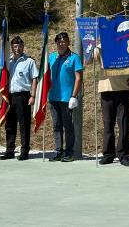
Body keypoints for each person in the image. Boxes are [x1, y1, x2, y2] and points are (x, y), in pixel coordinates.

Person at [0, 36, 39, 161]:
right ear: (11, 47)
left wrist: (32, 95)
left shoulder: (29, 61)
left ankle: (25, 151)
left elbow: (34, 79)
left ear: (23, 46)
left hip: (23, 96)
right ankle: (10, 150)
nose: (18, 48)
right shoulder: (7, 61)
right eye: (15, 46)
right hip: (10, 96)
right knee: (9, 125)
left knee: (24, 124)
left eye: (20, 46)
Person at [48, 32, 84, 162]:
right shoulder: (52, 57)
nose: (61, 44)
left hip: (67, 98)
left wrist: (74, 96)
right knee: (56, 125)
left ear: (68, 42)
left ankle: (69, 152)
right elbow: (45, 75)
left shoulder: (74, 58)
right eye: (58, 42)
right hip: (53, 97)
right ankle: (58, 151)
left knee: (68, 126)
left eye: (64, 41)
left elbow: (78, 78)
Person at [97, 54, 129, 167]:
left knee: (123, 124)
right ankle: (108, 154)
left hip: (124, 88)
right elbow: (88, 60)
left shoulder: (126, 42)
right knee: (108, 124)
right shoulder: (100, 46)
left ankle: (123, 154)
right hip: (106, 89)